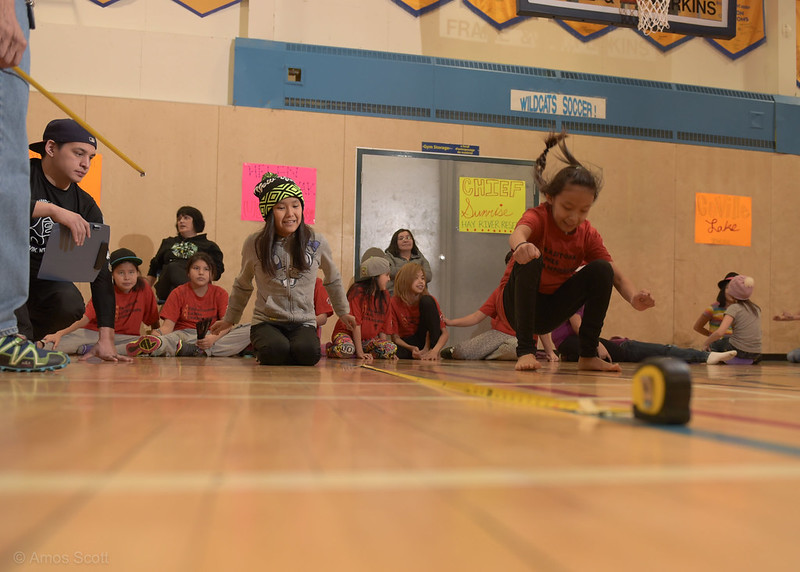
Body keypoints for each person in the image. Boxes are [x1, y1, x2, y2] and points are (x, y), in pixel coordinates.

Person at [501, 131, 655, 372]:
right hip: (518, 308)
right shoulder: (539, 217)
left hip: (551, 311)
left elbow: (617, 276)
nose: (574, 217)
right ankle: (525, 351)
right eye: (568, 207)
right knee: (531, 259)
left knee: (601, 269)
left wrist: (634, 298)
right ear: (550, 197)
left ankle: (588, 354)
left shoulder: (587, 233)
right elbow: (518, 233)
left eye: (583, 210)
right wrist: (521, 246)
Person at [209, 173, 355, 366]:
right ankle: (269, 345)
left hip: (303, 321)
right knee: (275, 351)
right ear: (269, 212)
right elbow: (243, 284)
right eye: (281, 207)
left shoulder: (316, 241)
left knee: (308, 354)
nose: (290, 214)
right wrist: (229, 319)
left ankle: (291, 347)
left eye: (295, 205)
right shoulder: (255, 243)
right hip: (267, 320)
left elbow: (333, 278)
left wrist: (343, 311)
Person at [15, 118, 130, 363]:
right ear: (51, 148)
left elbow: (99, 271)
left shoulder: (86, 206)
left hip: (41, 288)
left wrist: (106, 338)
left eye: (90, 157)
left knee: (69, 302)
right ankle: (16, 338)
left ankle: (27, 341)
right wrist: (52, 210)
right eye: (79, 153)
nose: (85, 164)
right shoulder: (19, 173)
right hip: (8, 279)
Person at [0, 0, 69, 372]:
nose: (83, 165)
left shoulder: (83, 199)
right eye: (77, 154)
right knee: (5, 172)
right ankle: (1, 332)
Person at [126, 252, 248, 357]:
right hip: (184, 335)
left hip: (211, 335)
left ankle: (193, 350)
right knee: (169, 339)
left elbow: (226, 324)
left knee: (249, 329)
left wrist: (212, 339)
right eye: (196, 268)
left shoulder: (220, 293)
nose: (201, 272)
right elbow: (168, 327)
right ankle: (158, 346)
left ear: (212, 274)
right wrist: (158, 334)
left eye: (206, 269)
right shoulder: (178, 292)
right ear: (188, 273)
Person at [41, 248, 160, 355]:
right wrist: (60, 333)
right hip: (94, 334)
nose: (127, 277)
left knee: (149, 344)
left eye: (131, 272)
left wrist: (157, 334)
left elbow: (153, 319)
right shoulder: (106, 291)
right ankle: (37, 347)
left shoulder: (144, 288)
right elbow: (85, 318)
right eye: (121, 273)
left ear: (138, 273)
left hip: (126, 338)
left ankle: (92, 350)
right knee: (56, 344)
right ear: (112, 275)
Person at [551, 307, 738, 365]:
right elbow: (578, 326)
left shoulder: (564, 341)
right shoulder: (574, 304)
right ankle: (706, 356)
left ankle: (705, 356)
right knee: (665, 351)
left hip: (620, 346)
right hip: (625, 348)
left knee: (664, 351)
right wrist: (596, 344)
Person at [147, 206, 225, 301]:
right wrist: (144, 293)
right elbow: (154, 267)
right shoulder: (168, 242)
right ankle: (194, 298)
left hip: (196, 286)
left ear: (196, 221)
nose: (181, 221)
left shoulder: (208, 246)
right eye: (179, 219)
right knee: (172, 267)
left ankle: (190, 297)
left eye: (186, 218)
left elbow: (216, 274)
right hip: (166, 287)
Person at [327, 256, 397, 361]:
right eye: (386, 275)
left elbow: (383, 328)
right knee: (347, 349)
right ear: (375, 277)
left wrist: (384, 350)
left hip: (366, 340)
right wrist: (360, 352)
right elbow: (356, 324)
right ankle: (329, 348)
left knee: (391, 348)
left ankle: (357, 350)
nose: (388, 279)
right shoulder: (357, 292)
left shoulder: (385, 295)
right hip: (347, 335)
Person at [440, 283, 519, 361]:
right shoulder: (500, 291)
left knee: (515, 347)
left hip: (520, 338)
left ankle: (484, 354)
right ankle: (461, 351)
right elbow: (476, 317)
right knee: (461, 351)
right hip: (498, 334)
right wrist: (450, 322)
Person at [390, 262, 449, 360]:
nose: (421, 282)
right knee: (393, 352)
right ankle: (419, 353)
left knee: (427, 300)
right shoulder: (393, 302)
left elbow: (445, 333)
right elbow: (395, 338)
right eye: (416, 278)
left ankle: (430, 351)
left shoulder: (430, 300)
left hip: (427, 339)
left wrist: (434, 351)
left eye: (422, 278)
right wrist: (411, 348)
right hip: (408, 343)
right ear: (405, 280)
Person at [702, 274, 762, 364]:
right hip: (756, 353)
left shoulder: (734, 308)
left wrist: (706, 343)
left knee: (716, 343)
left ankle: (716, 358)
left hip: (738, 351)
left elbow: (720, 332)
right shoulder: (756, 308)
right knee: (727, 339)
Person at [693, 271, 737, 351]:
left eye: (736, 290)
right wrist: (713, 337)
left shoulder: (741, 310)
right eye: (729, 288)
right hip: (717, 347)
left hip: (735, 347)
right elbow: (697, 327)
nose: (732, 292)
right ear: (723, 289)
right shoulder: (713, 308)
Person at [385, 228, 432, 294]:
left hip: (418, 293)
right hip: (396, 292)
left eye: (408, 237)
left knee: (429, 301)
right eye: (401, 238)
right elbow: (391, 272)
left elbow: (428, 276)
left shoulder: (420, 257)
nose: (405, 240)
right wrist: (416, 274)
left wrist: (405, 273)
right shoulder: (389, 256)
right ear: (395, 243)